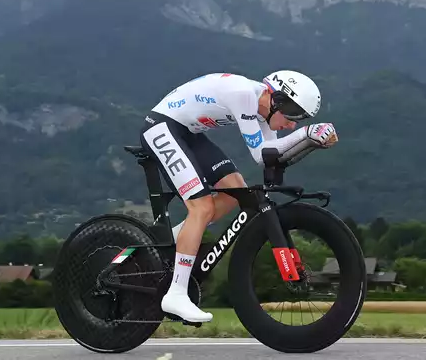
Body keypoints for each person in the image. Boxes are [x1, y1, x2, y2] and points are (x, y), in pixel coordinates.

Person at [139, 70, 338, 323]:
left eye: (300, 119)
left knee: (236, 192)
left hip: (187, 133)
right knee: (200, 208)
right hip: (161, 127)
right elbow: (261, 154)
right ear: (277, 100)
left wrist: (311, 143)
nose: (292, 124)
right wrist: (307, 134)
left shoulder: (264, 109)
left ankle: (173, 241)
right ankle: (176, 293)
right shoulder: (244, 95)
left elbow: (273, 157)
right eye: (293, 115)